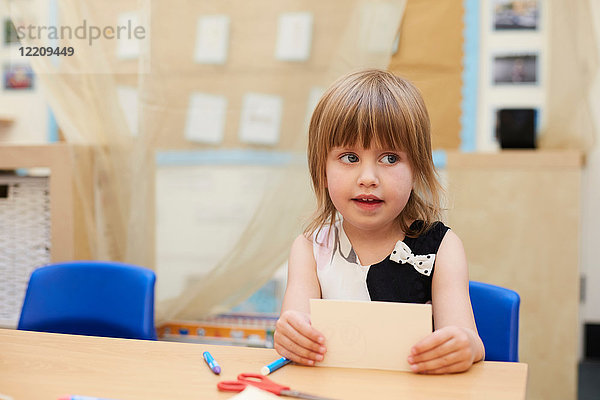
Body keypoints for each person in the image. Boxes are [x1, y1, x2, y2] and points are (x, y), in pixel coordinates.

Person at [274, 69, 485, 374]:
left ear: (417, 168)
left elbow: (470, 340)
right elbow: (295, 326)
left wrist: (465, 346)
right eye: (349, 157)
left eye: (390, 158)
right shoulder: (310, 248)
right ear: (322, 168)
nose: (368, 179)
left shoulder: (443, 247)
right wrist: (290, 336)